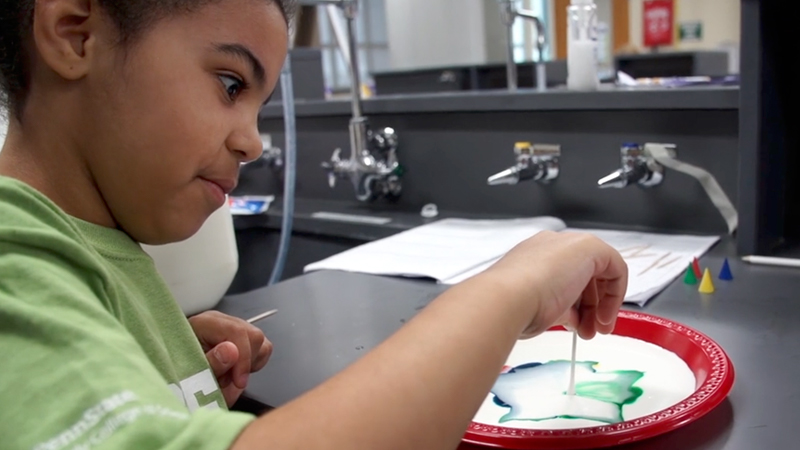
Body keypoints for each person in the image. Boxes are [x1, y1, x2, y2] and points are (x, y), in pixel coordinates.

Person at [0, 0, 628, 449]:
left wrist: (154, 360)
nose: (250, 141)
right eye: (228, 83)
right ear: (77, 36)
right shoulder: (11, 258)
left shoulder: (94, 252)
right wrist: (511, 289)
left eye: (259, 104)